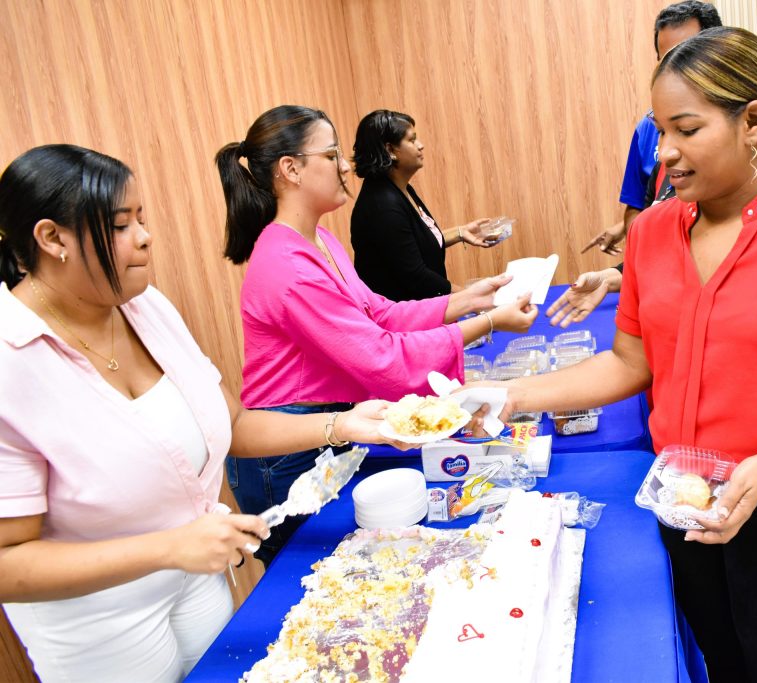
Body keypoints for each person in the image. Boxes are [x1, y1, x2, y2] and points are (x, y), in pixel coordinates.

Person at [471, 27, 757, 681]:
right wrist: (510, 395)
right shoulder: (651, 232)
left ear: (753, 122)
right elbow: (630, 362)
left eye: (686, 129)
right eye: (659, 130)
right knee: (720, 658)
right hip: (682, 491)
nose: (664, 152)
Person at [0, 144, 401, 681]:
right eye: (121, 226)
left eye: (142, 219)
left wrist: (341, 424)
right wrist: (169, 548)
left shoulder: (145, 306)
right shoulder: (12, 361)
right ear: (53, 239)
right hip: (99, 624)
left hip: (194, 580)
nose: (145, 237)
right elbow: (8, 560)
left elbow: (230, 423)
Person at [215, 105, 537, 565]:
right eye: (331, 155)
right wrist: (487, 323)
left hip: (327, 428)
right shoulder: (286, 264)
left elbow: (379, 313)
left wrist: (469, 301)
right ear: (291, 169)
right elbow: (380, 356)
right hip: (287, 448)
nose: (345, 166)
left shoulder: (319, 241)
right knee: (313, 575)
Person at [581, 1, 722, 257]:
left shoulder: (741, 123)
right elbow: (638, 206)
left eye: (687, 55)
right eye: (666, 59)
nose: (668, 151)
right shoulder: (647, 128)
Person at [350, 109, 500, 301]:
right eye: (412, 140)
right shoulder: (383, 205)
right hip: (403, 314)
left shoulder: (399, 189)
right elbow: (416, 275)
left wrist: (460, 232)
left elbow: (413, 242)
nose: (421, 145)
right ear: (390, 150)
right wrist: (471, 296)